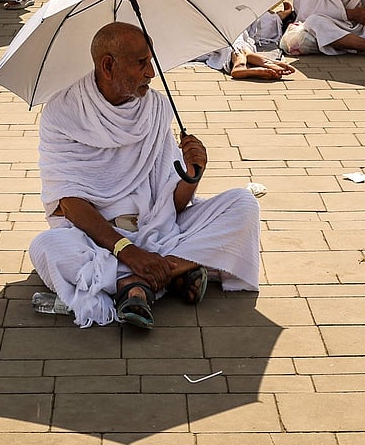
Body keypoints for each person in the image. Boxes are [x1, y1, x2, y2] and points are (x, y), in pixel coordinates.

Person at [28, 21, 262, 329]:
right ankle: (172, 272)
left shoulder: (154, 108)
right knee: (47, 247)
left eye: (151, 62)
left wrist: (192, 176)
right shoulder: (63, 113)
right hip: (94, 238)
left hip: (158, 227)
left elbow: (171, 204)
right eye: (141, 63)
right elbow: (69, 202)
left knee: (243, 204)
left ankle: (138, 283)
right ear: (108, 66)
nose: (151, 73)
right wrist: (128, 251)